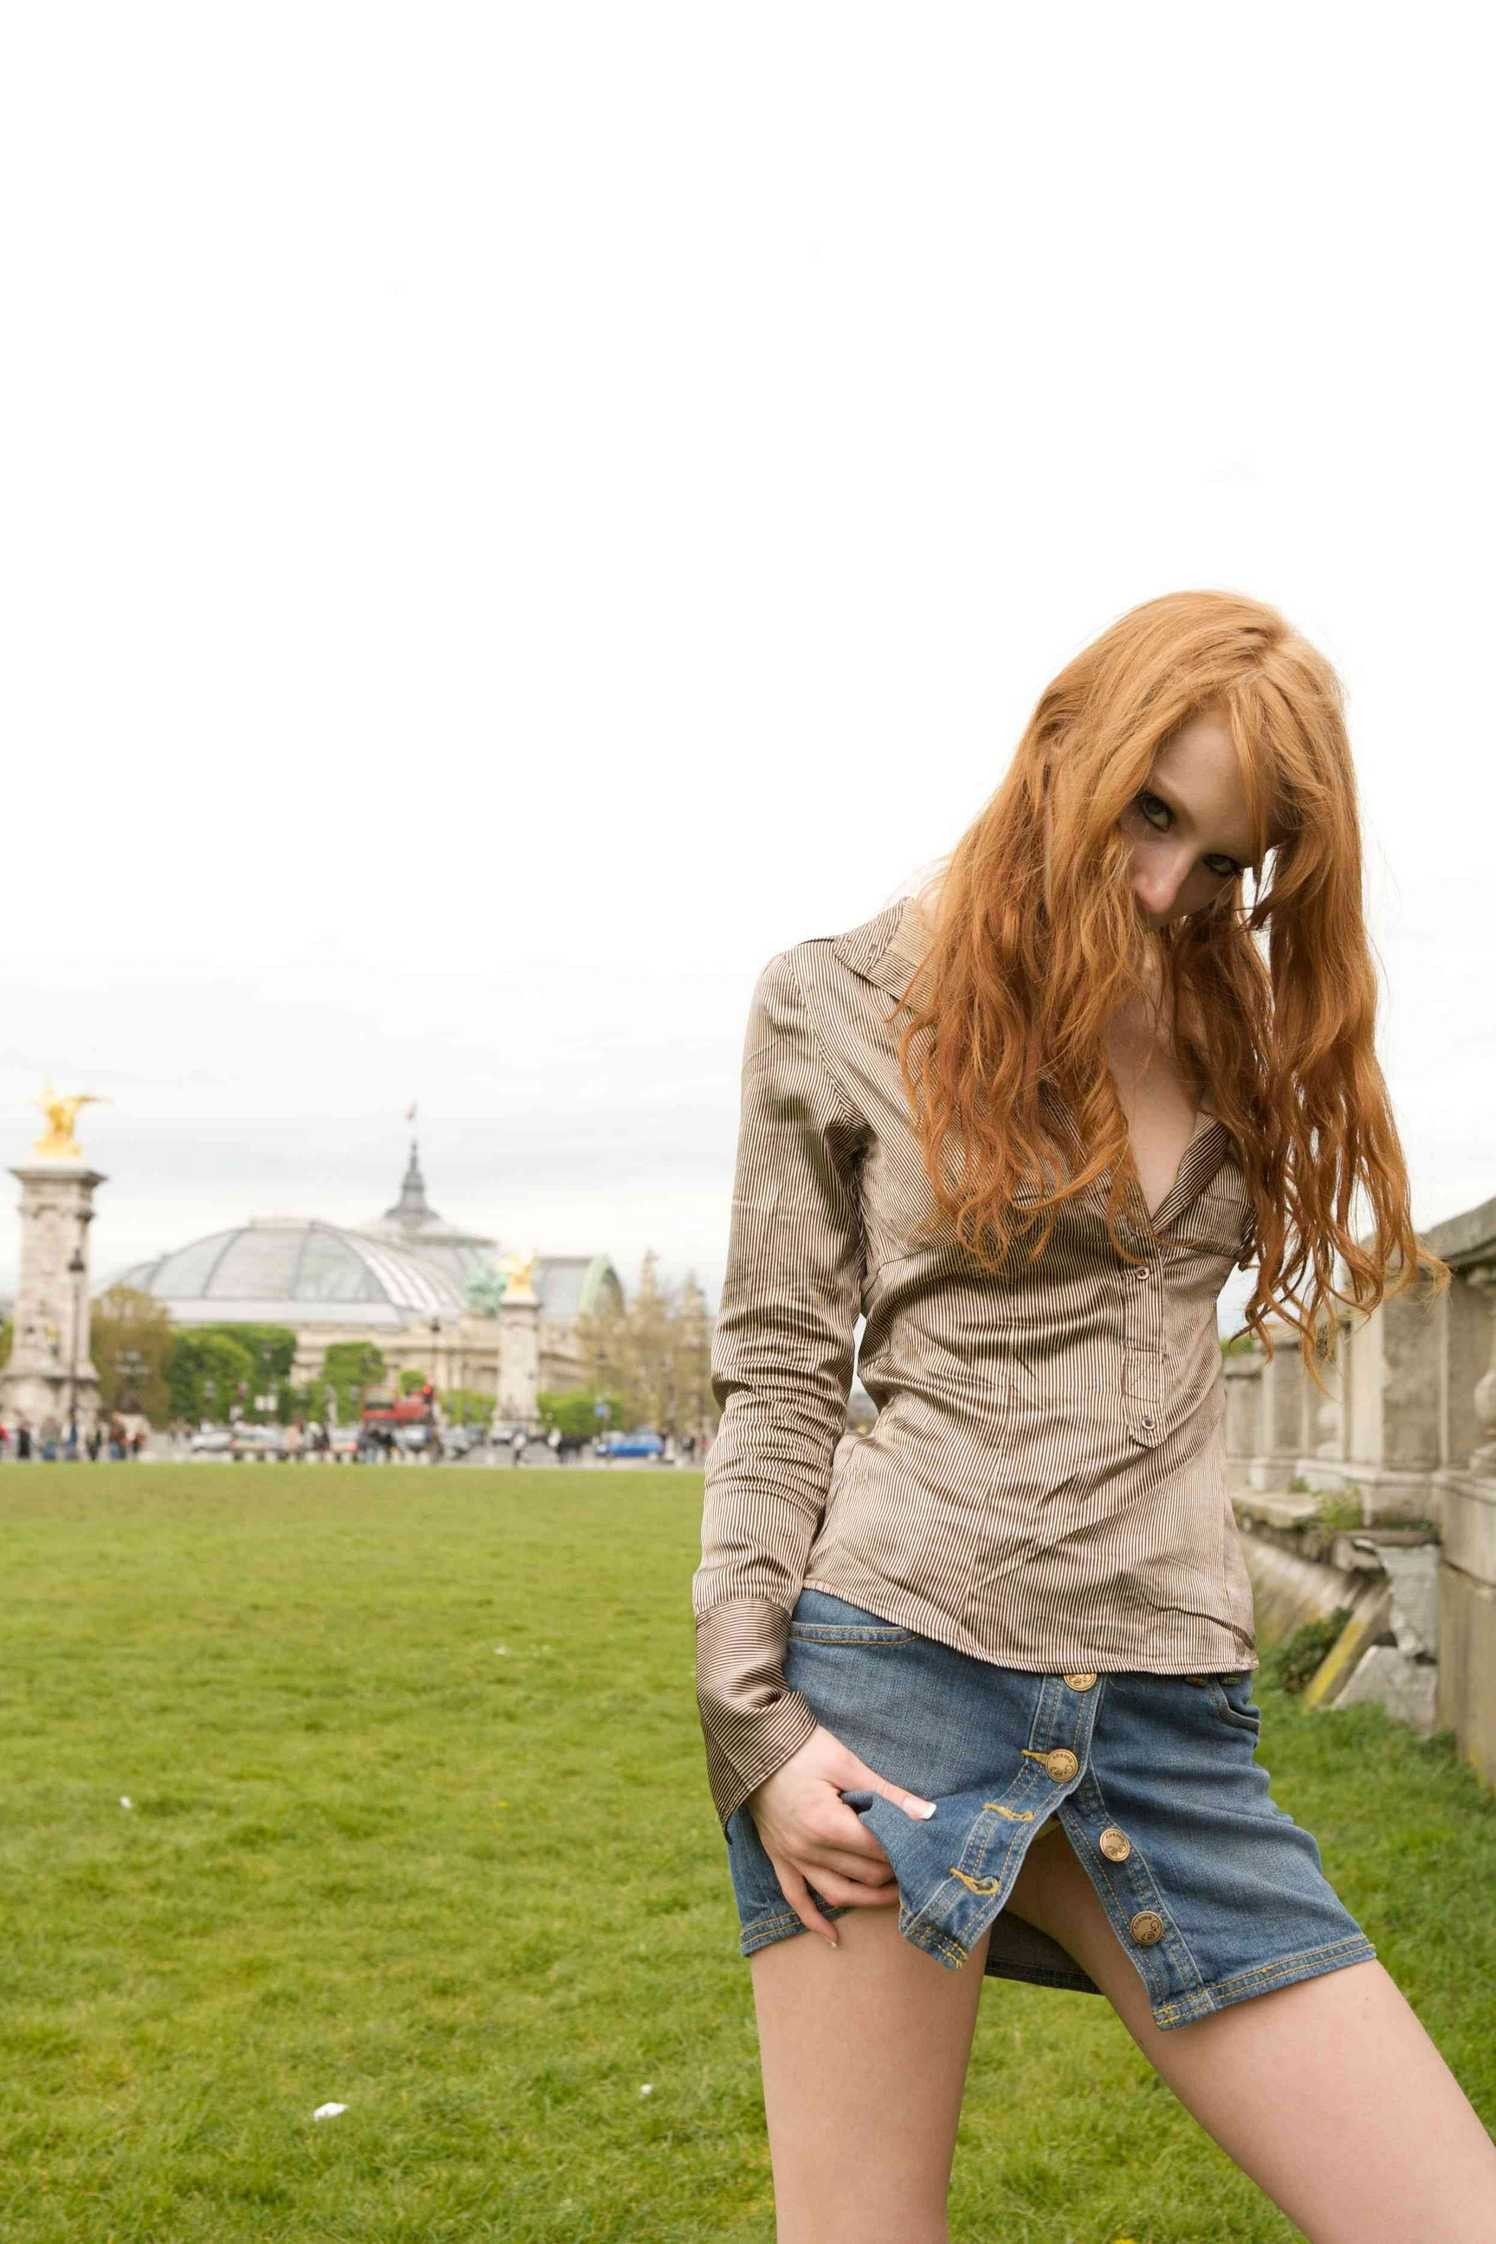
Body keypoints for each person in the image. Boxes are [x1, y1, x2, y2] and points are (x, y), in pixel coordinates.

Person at [691, 590, 1496, 2243]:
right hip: (895, 1686)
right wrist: (752, 1720)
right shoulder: (832, 1002)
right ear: (1066, 741)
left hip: (1171, 1722)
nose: (1169, 888)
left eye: (1228, 862)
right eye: (1151, 813)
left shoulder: (1242, 1024)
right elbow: (778, 1373)